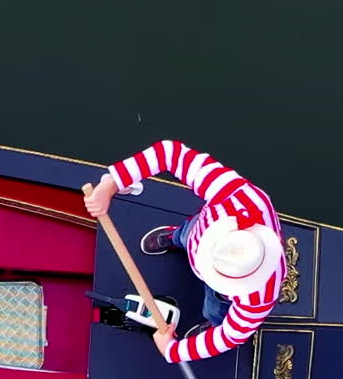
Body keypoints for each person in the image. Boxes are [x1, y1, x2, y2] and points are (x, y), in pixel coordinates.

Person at [84, 140, 286, 364]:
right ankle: (175, 237)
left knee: (216, 310)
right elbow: (170, 153)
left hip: (220, 290)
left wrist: (173, 351)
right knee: (186, 234)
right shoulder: (235, 194)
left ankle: (211, 321)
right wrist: (111, 184)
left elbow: (230, 336)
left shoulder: (260, 298)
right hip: (197, 232)